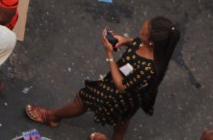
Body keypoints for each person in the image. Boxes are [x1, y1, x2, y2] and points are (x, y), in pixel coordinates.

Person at [24, 16, 180, 140]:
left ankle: (53, 117)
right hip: (131, 97)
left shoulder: (148, 68)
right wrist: (124, 40)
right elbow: (136, 42)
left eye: (145, 30)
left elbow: (121, 86)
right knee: (121, 120)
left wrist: (109, 54)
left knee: (82, 99)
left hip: (120, 92)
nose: (142, 28)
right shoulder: (151, 46)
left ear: (151, 42)